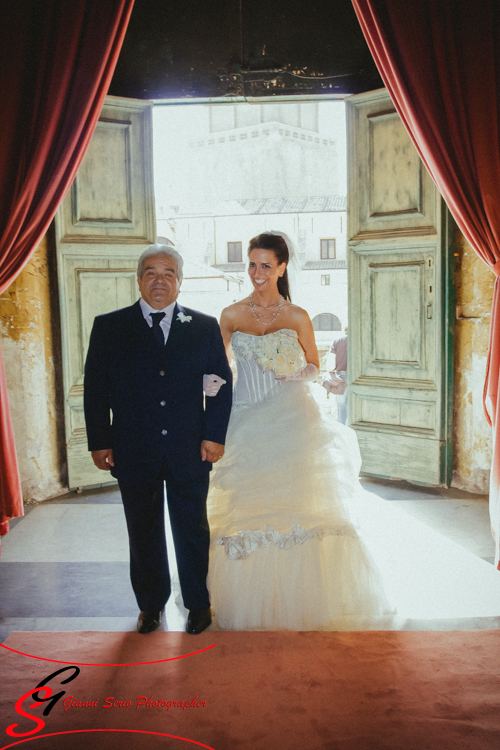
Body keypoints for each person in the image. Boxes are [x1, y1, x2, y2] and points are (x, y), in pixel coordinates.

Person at [206, 232, 391, 630]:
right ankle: (246, 598)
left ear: (282, 268)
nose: (257, 273)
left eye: (266, 265)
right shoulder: (231, 315)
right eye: (252, 264)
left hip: (291, 419)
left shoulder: (297, 316)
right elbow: (217, 368)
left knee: (298, 507)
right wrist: (207, 388)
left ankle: (299, 598)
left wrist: (292, 372)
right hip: (244, 419)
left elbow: (314, 367)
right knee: (245, 508)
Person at [84, 244, 232, 635]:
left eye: (168, 273)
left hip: (190, 449)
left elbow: (219, 386)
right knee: (143, 531)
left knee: (193, 530)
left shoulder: (203, 327)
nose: (159, 280)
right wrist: (100, 440)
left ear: (180, 283)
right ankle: (150, 606)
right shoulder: (109, 327)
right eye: (151, 272)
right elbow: (96, 390)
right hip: (134, 450)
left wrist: (214, 436)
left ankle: (198, 605)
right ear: (138, 280)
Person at [327, 328, 348, 425]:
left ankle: (342, 432)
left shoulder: (337, 340)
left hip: (340, 376)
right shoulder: (359, 339)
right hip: (355, 376)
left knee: (341, 408)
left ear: (345, 329)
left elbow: (330, 363)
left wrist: (331, 373)